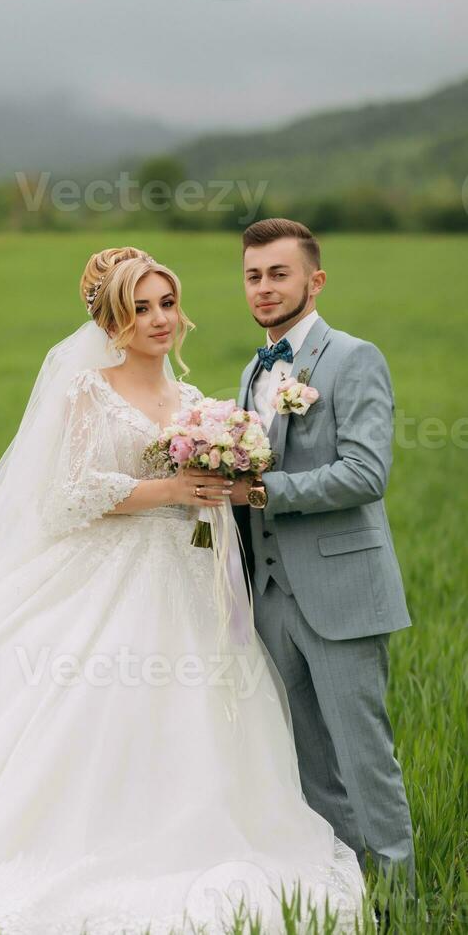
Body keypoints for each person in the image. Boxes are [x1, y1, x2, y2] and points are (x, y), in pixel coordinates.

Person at [0, 246, 366, 935]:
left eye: (167, 302)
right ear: (112, 322)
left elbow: (221, 491)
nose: (160, 319)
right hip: (109, 576)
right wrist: (168, 488)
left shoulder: (197, 404)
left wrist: (223, 482)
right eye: (140, 308)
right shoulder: (89, 391)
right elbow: (64, 496)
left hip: (188, 579)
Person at [226, 218, 415, 901]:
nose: (265, 287)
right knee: (308, 765)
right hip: (271, 598)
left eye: (279, 273)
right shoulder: (254, 369)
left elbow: (366, 473)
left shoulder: (353, 358)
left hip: (341, 591)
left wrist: (262, 491)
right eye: (254, 275)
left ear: (315, 279)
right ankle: (344, 895)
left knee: (365, 760)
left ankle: (400, 899)